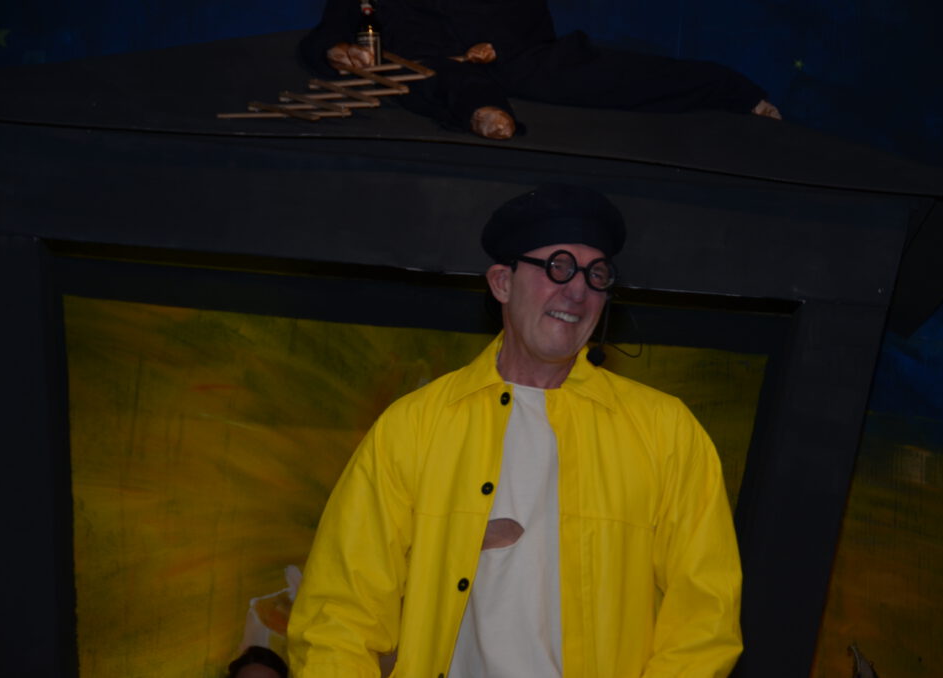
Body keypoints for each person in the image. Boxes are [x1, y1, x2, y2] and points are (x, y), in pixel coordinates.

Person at [287, 183, 743, 677]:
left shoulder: (665, 430)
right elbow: (339, 614)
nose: (578, 291)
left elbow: (704, 618)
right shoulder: (414, 425)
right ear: (502, 283)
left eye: (596, 274)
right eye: (558, 267)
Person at [298, 0, 781, 139]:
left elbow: (526, 16)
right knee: (434, 81)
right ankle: (485, 114)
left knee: (600, 76)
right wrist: (336, 51)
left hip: (508, 53)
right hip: (425, 59)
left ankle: (731, 90)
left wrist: (498, 46)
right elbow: (332, 26)